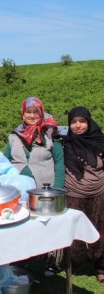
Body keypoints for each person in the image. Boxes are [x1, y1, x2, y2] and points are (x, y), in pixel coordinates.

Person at [62, 106, 104, 283]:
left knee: (100, 230)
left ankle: (101, 266)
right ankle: (74, 262)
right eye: (73, 122)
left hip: (99, 192)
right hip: (74, 192)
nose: (78, 126)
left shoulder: (100, 141)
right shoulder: (65, 143)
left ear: (89, 122)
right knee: (74, 230)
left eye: (82, 121)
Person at [4, 96, 65, 188]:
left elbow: (59, 162)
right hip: (17, 190)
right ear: (23, 114)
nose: (32, 116)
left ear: (41, 113)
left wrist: (57, 189)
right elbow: (5, 160)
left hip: (45, 191)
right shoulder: (15, 135)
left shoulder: (50, 134)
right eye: (28, 112)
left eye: (36, 112)